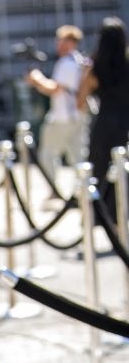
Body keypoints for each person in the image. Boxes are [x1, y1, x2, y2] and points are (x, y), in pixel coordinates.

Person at [78, 17, 129, 224]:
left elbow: (80, 101)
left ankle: (99, 215)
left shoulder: (94, 66)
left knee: (98, 169)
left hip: (104, 123)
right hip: (126, 123)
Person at [25, 25, 87, 188]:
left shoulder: (66, 63)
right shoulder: (78, 60)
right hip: (78, 115)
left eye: (61, 40)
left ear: (70, 42)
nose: (58, 43)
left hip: (63, 116)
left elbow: (54, 88)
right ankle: (81, 188)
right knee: (77, 155)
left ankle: (54, 188)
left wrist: (36, 78)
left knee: (47, 154)